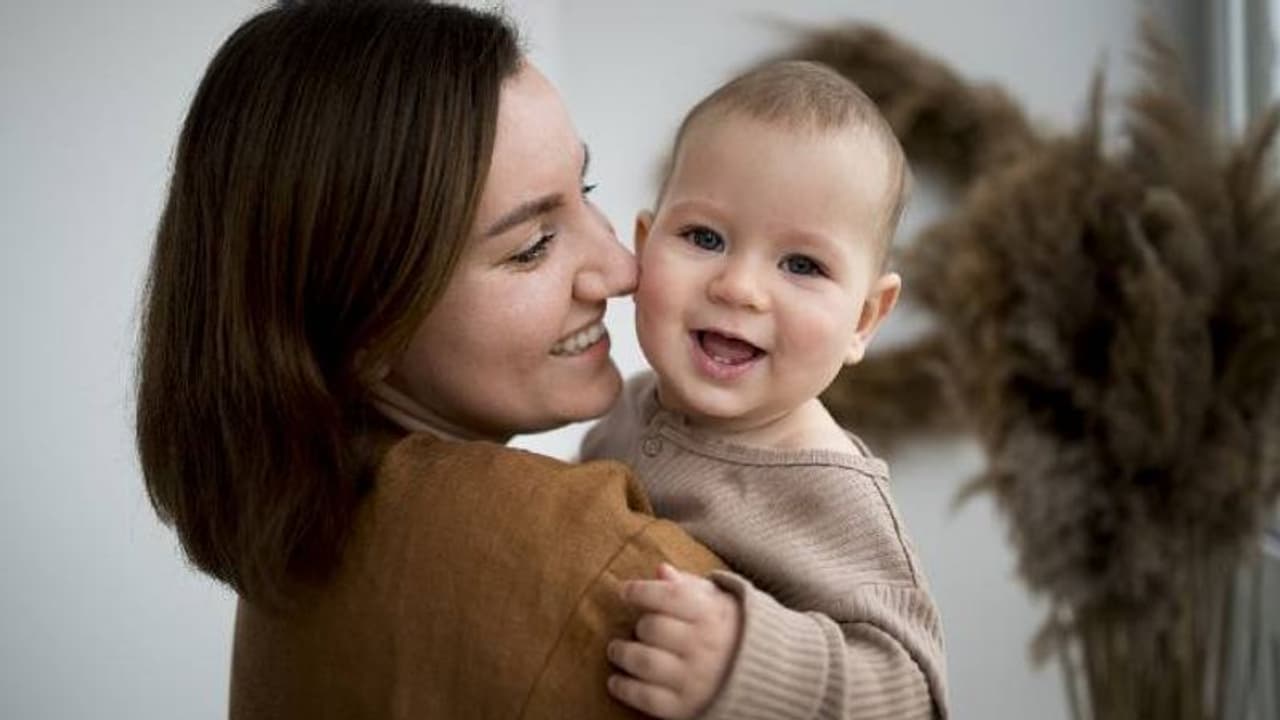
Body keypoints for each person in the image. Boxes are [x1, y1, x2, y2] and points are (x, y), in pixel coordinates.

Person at [134, 2, 733, 717]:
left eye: (587, 192)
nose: (621, 267)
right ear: (363, 324)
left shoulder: (299, 539)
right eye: (532, 245)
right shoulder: (582, 554)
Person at [582, 61, 950, 719]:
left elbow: (913, 695)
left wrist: (752, 664)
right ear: (646, 242)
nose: (739, 288)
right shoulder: (623, 411)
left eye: (802, 264)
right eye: (705, 237)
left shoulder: (833, 492)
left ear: (864, 319)